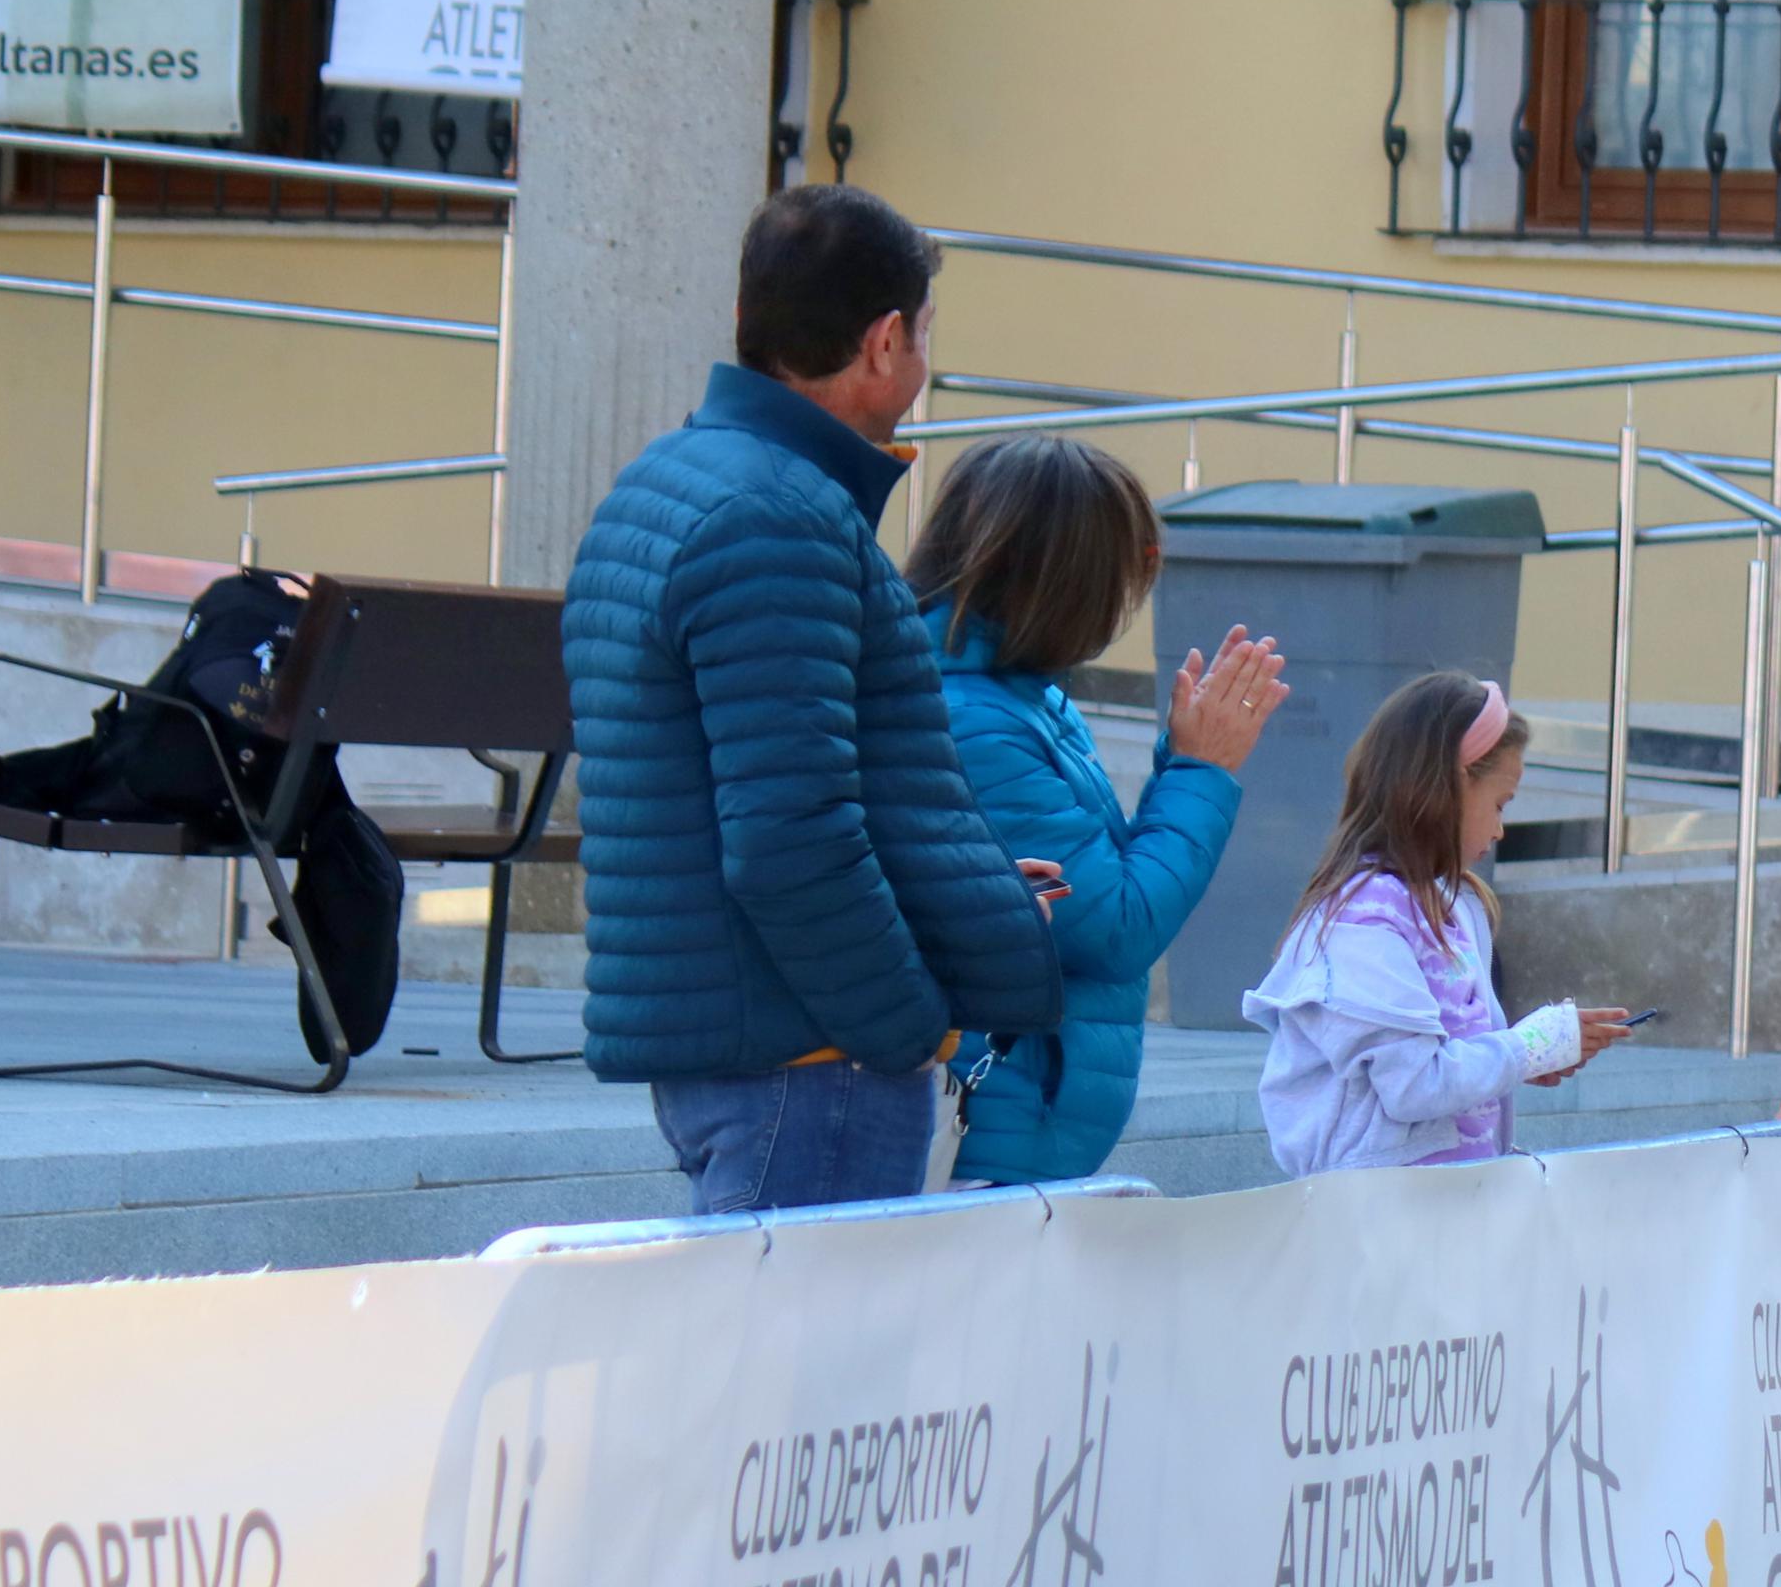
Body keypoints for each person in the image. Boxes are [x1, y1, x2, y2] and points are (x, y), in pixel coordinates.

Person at [568, 183, 1065, 1215]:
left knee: (770, 1367)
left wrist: (949, 887)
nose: (924, 367)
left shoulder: (679, 481)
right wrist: (902, 1027)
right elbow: (787, 841)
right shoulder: (774, 519)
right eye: (924, 338)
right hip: (808, 1057)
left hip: (755, 1038)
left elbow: (750, 782)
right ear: (885, 343)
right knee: (811, 1375)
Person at [907, 433, 1287, 1184]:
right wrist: (1200, 770)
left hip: (1017, 1128)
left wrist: (1186, 760)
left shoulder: (1024, 699)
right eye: (1123, 572)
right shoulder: (976, 721)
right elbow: (1113, 928)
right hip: (992, 1133)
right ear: (1063, 583)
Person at [1244, 675, 1633, 1175]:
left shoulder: (1449, 905)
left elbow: (1443, 1058)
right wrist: (1526, 1048)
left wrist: (1521, 1061)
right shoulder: (1364, 919)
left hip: (1441, 1211)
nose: (1499, 829)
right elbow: (1414, 1084)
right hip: (1378, 1222)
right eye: (1499, 804)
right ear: (1449, 785)